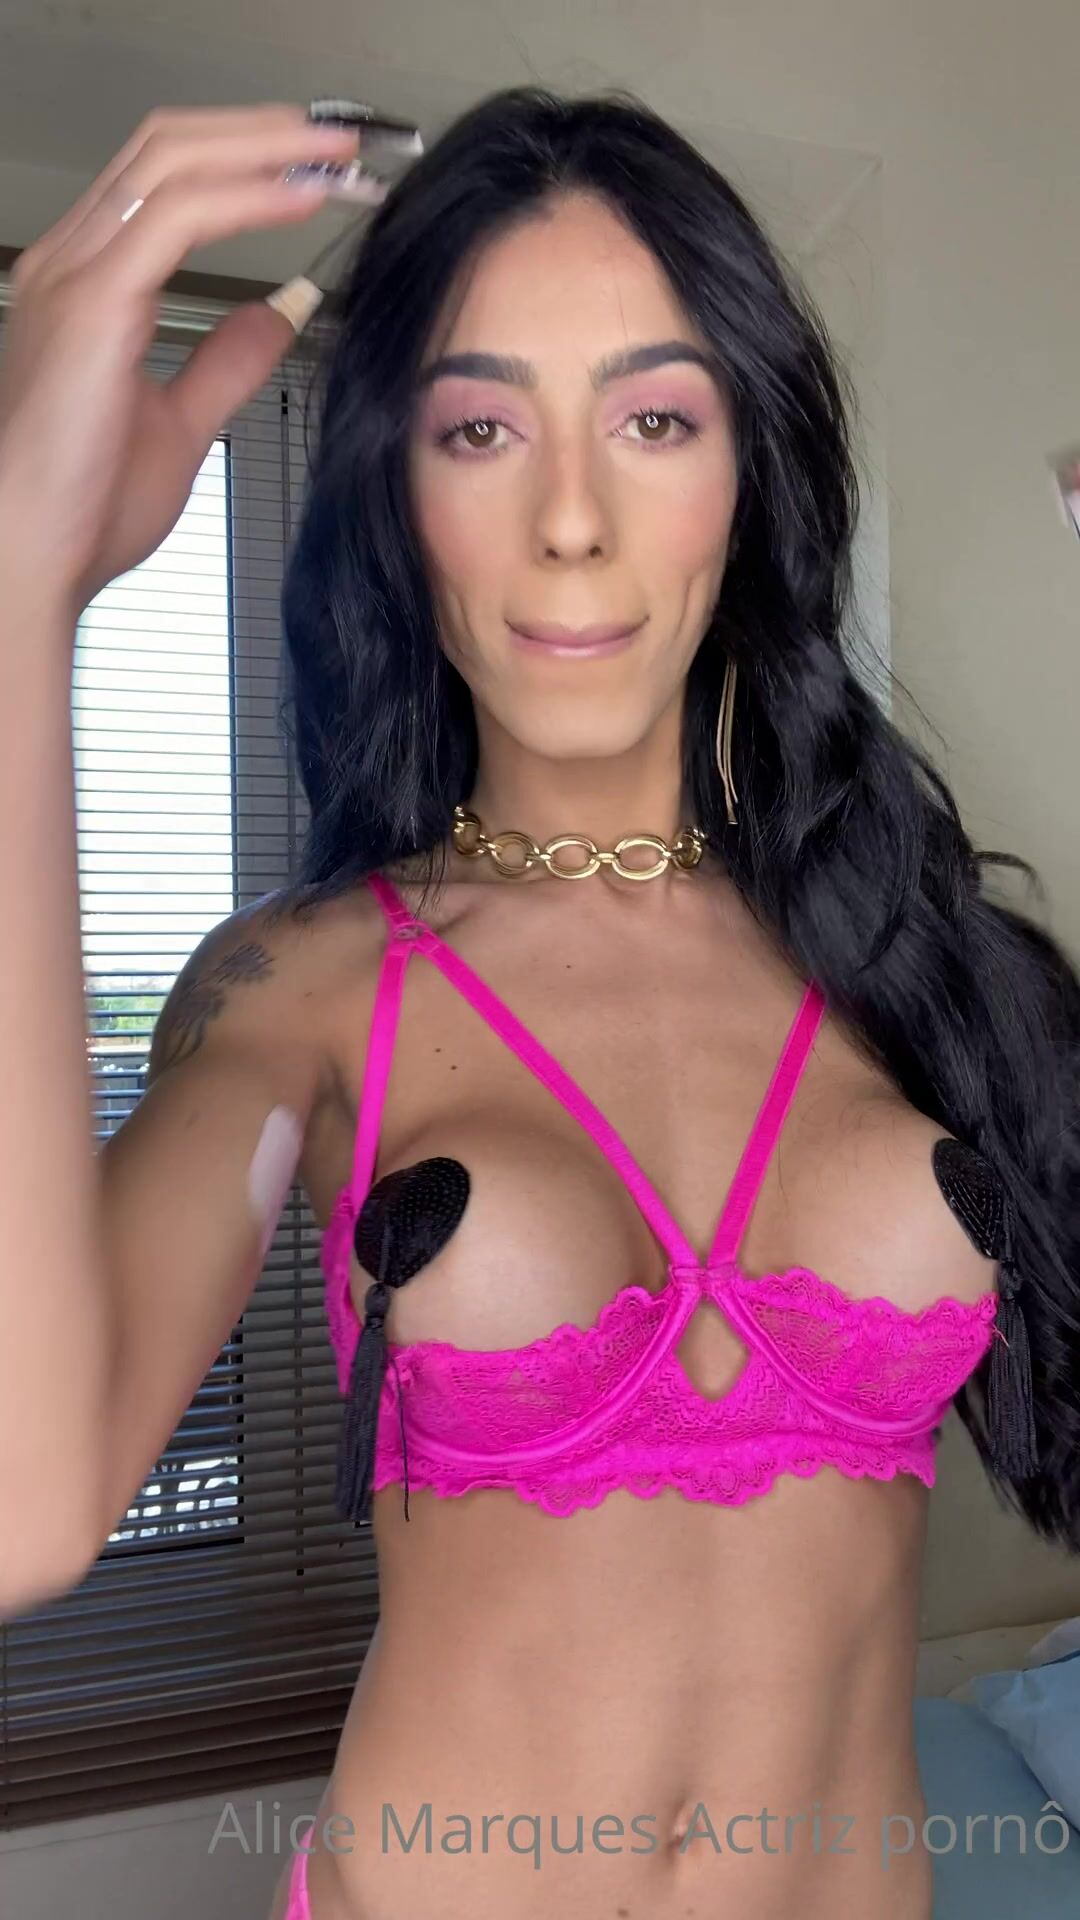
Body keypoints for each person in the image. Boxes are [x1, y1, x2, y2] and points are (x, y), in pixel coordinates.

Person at [1, 85, 1078, 1920]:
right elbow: (28, 1511)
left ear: (752, 472)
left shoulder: (916, 961)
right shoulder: (305, 989)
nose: (572, 521)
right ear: (395, 494)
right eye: (481, 428)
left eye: (655, 420)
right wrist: (26, 593)